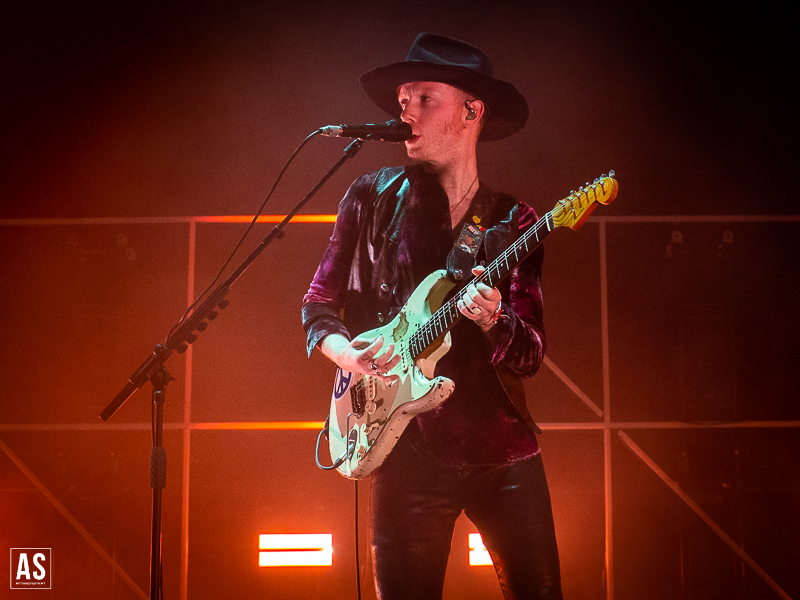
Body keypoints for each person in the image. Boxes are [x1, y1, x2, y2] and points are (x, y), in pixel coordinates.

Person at [302, 32, 562, 599]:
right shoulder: (370, 197)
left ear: (472, 111)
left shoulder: (514, 219)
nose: (406, 111)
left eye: (424, 98)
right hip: (404, 449)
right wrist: (350, 355)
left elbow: (531, 354)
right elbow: (319, 304)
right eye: (402, 100)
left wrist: (496, 320)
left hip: (502, 454)